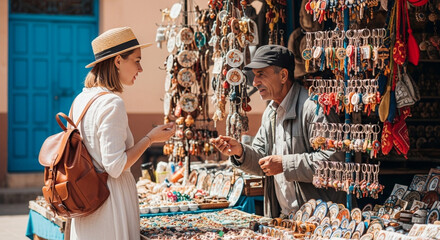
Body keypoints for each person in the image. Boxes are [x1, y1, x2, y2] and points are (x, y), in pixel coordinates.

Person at [210, 45, 346, 218]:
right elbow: (263, 160)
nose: (254, 82)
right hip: (286, 217)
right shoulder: (271, 112)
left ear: (283, 75)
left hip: (320, 219)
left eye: (261, 74)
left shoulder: (313, 108)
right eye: (254, 75)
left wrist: (285, 164)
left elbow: (334, 160)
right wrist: (240, 152)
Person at [69, 27, 175, 240]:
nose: (141, 68)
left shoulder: (81, 99)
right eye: (137, 60)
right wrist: (150, 139)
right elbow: (115, 165)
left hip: (87, 203)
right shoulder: (111, 102)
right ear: (118, 61)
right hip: (109, 205)